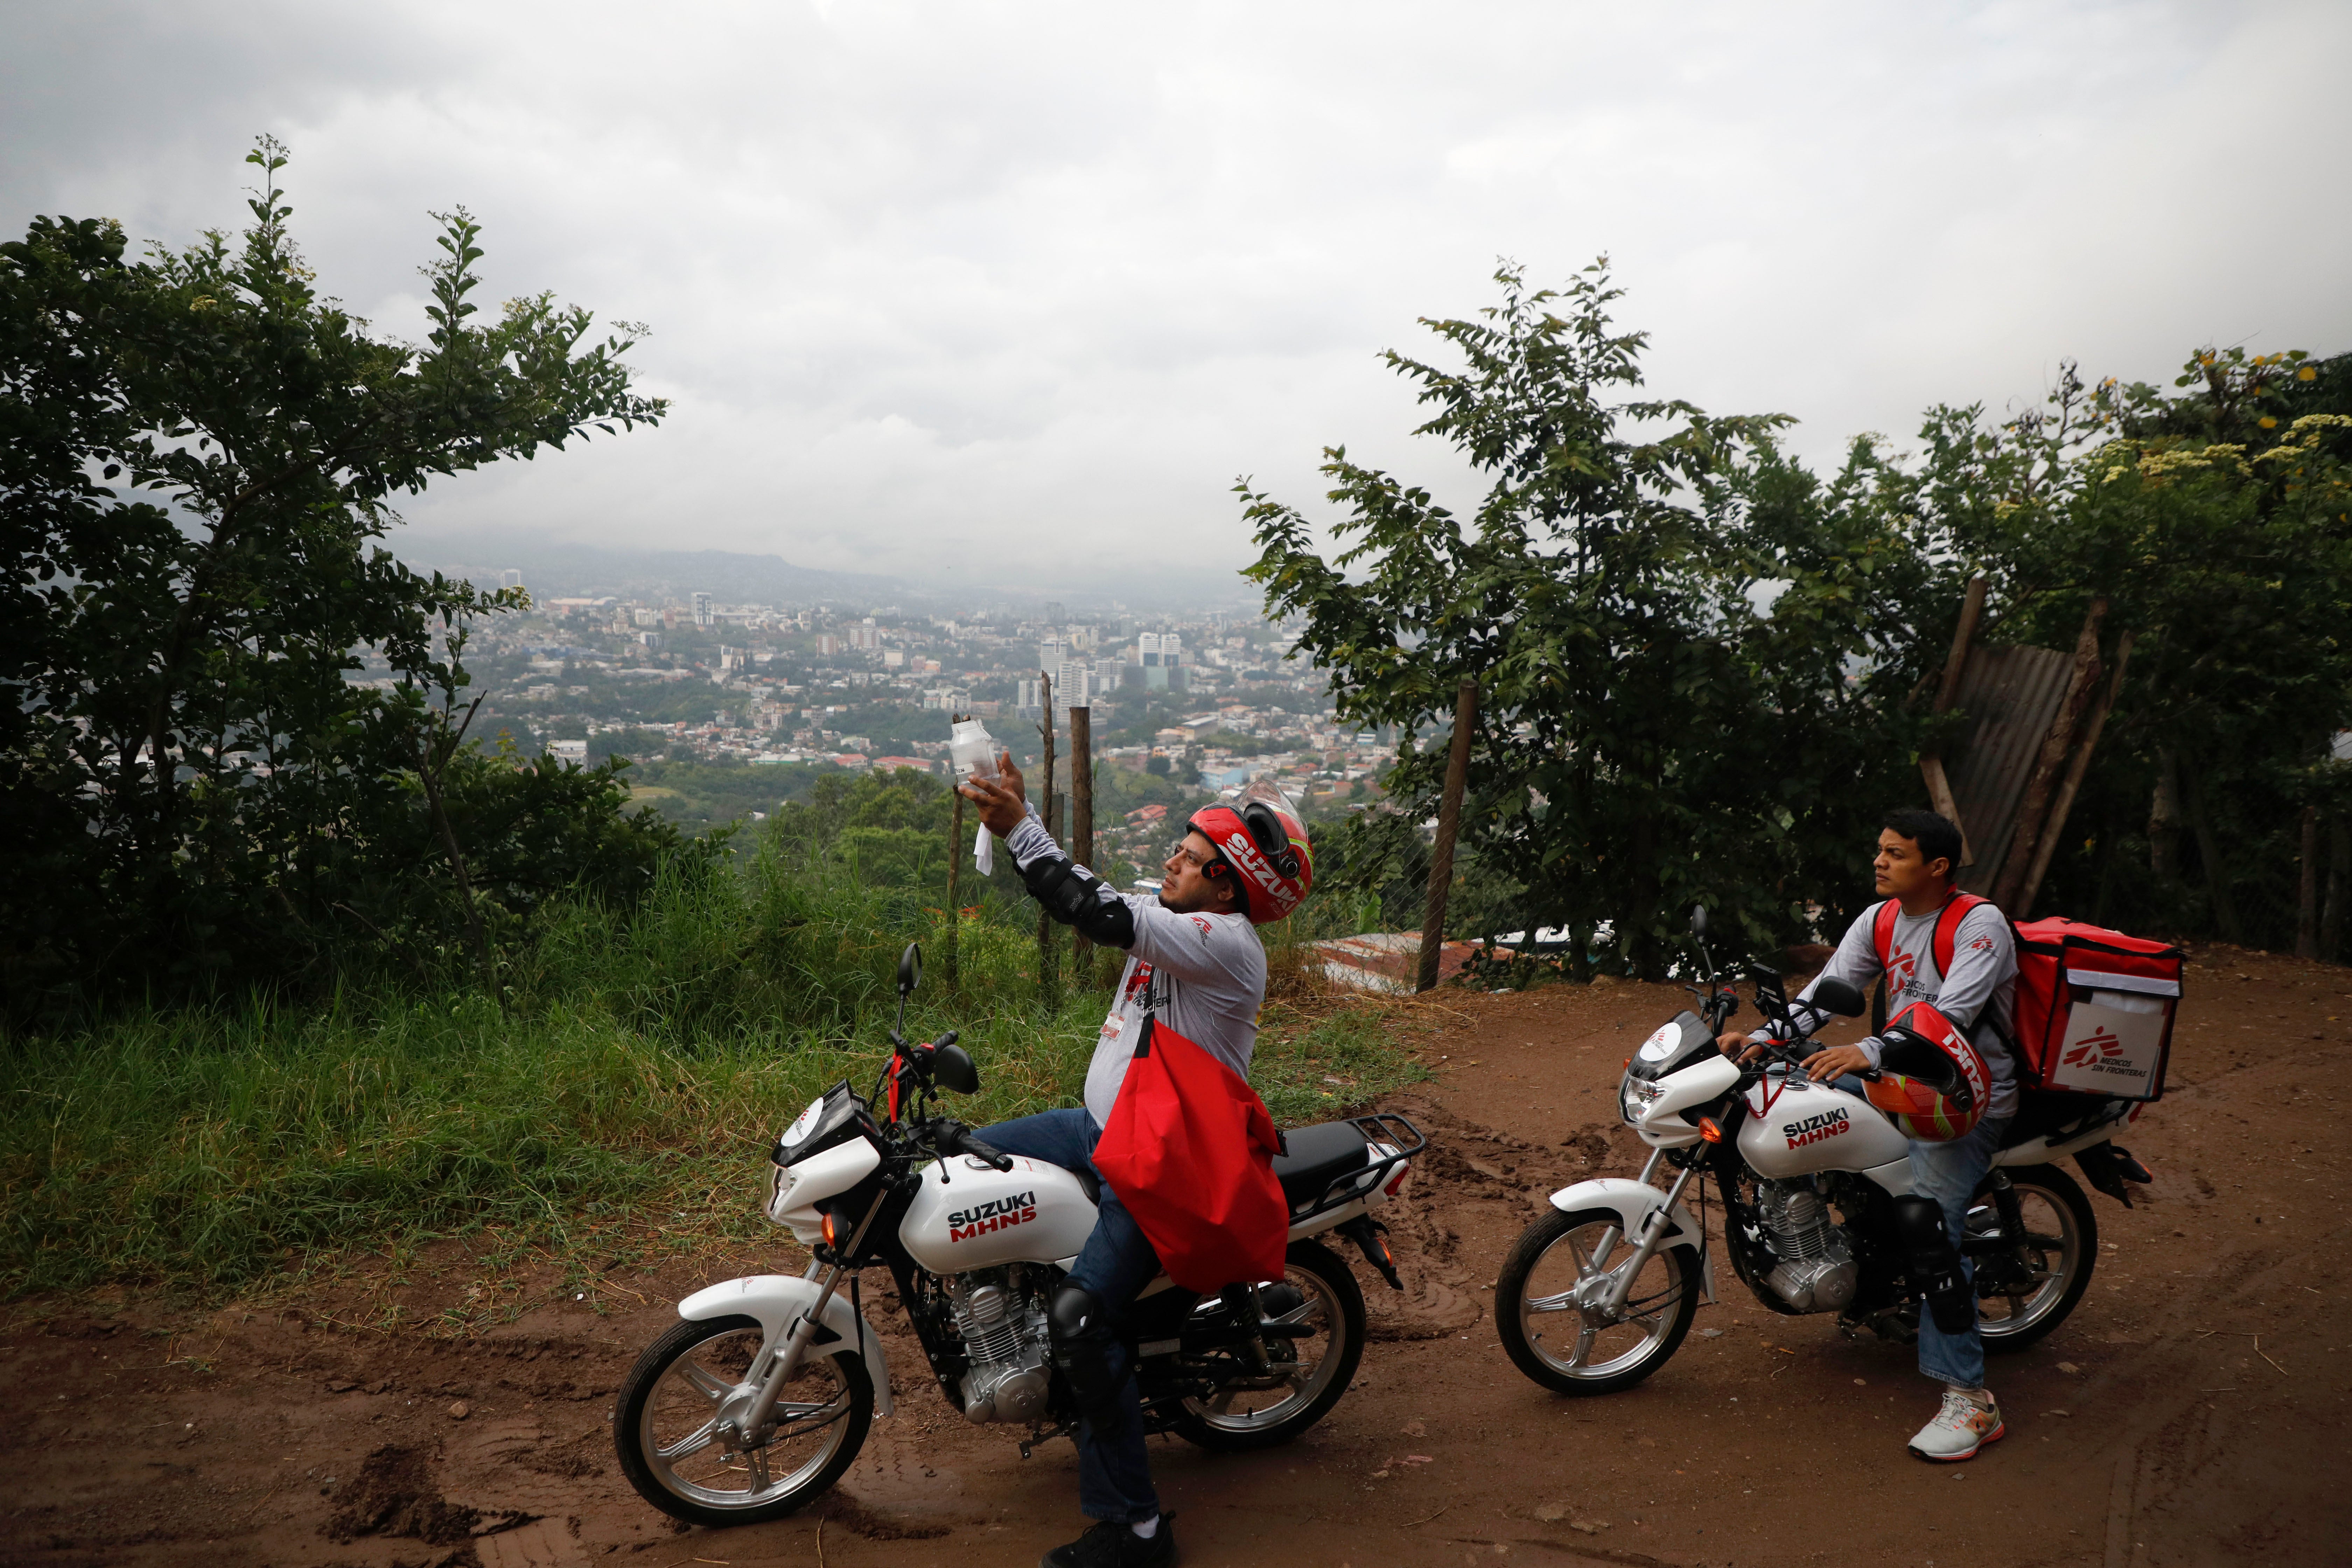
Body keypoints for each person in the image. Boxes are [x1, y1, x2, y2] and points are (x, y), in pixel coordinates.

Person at [957, 754, 1311, 1568]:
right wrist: (1019, 831)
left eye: (1191, 855)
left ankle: (1138, 1528)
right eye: (1179, 847)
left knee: (1081, 1322)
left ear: (1226, 887)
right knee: (964, 1154)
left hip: (1160, 1168)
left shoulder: (1223, 942)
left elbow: (1093, 909)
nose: (1172, 859)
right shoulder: (1176, 915)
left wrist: (1020, 826)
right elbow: (1088, 894)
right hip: (1103, 1128)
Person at [1717, 808, 2018, 1462]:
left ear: (1937, 866)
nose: (1880, 862)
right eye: (1880, 850)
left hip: (1961, 1097)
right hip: (1892, 1077)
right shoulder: (1881, 918)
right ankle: (1857, 1266)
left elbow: (1951, 1016)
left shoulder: (1979, 924)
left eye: (1896, 854)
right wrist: (1763, 1040)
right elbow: (1823, 997)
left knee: (1931, 1232)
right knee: (1787, 1101)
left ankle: (1971, 1401)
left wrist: (1869, 1051)